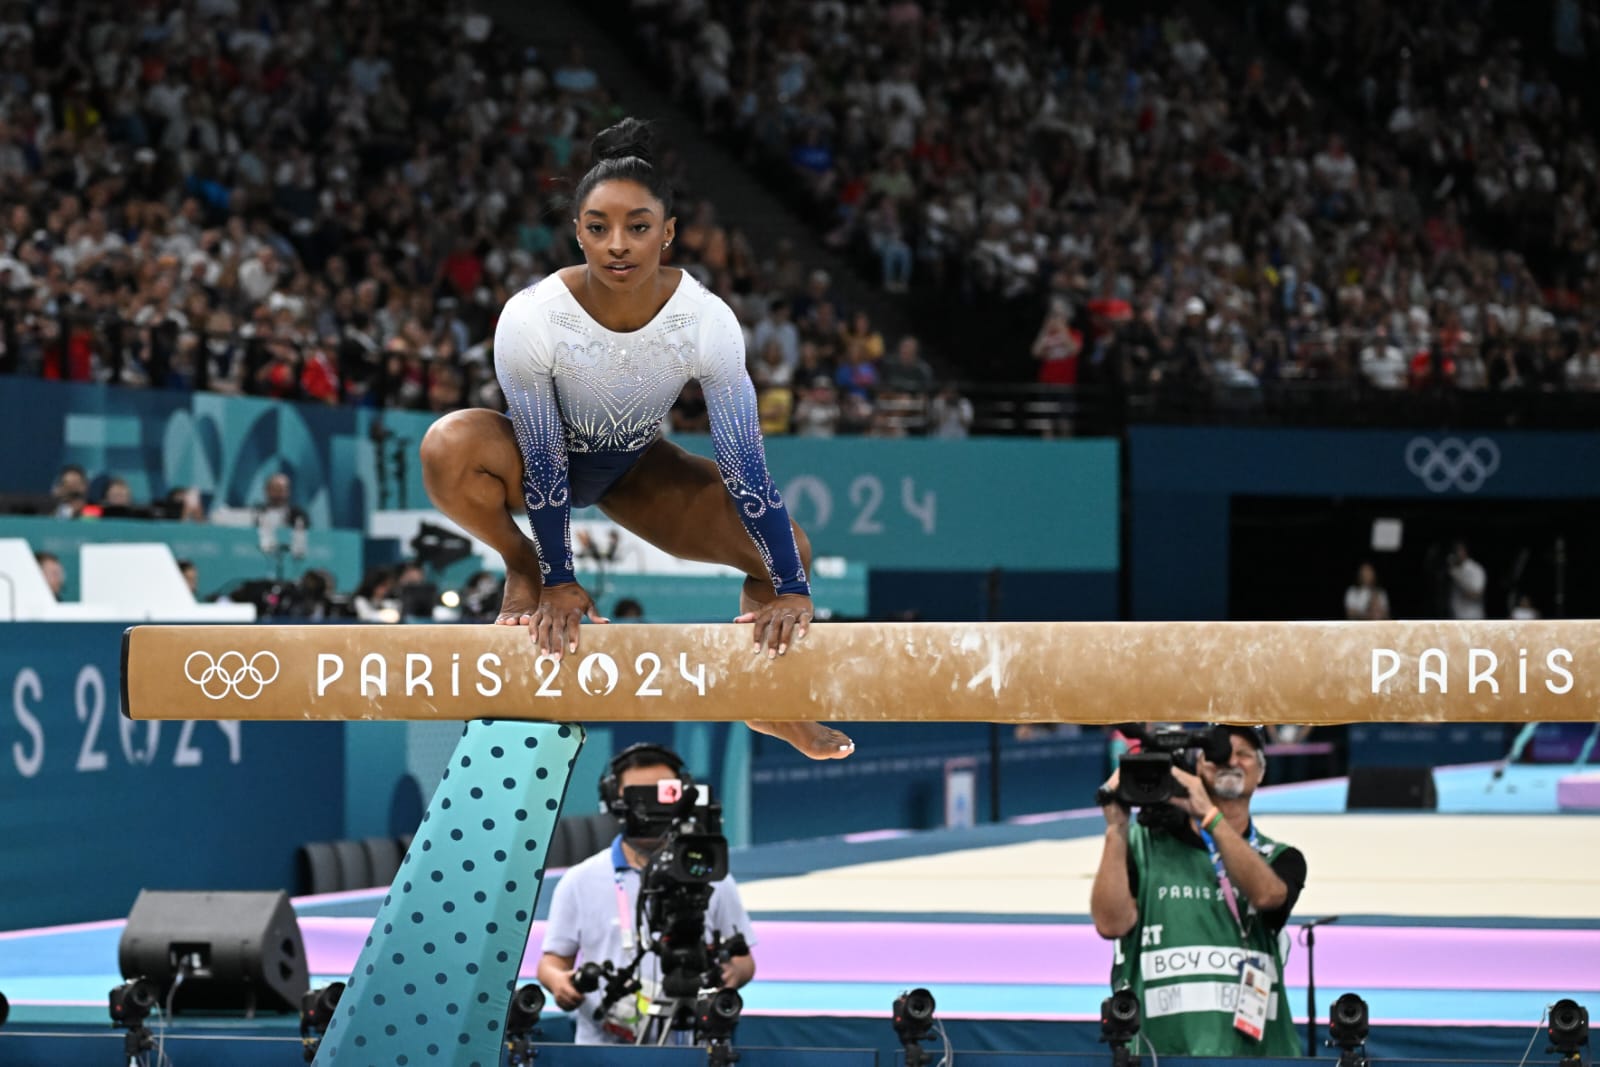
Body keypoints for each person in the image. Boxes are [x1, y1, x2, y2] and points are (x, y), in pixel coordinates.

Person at [420, 118, 853, 761]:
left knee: (787, 546)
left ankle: (771, 701)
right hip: (541, 457)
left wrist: (793, 585)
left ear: (669, 232)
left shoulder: (705, 320)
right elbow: (542, 459)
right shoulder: (534, 315)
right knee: (447, 445)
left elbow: (743, 464)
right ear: (577, 231)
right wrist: (556, 576)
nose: (617, 245)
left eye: (639, 227)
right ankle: (520, 562)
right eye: (598, 228)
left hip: (635, 469)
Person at [1090, 726, 1306, 1057]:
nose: (1231, 761)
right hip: (1159, 1051)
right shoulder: (1141, 845)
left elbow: (1267, 897)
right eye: (1217, 756)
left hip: (1256, 1055)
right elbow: (1111, 924)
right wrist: (1116, 828)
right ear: (1196, 770)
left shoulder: (1280, 858)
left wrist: (1209, 814)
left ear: (1262, 772)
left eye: (1245, 754)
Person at [538, 744, 756, 1045]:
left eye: (664, 794)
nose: (654, 807)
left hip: (694, 1047)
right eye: (640, 797)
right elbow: (552, 963)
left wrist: (732, 975)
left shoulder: (712, 876)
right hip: (605, 1051)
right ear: (614, 801)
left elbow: (745, 962)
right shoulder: (579, 881)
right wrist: (559, 983)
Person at [1447, 541, 1486, 620]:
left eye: (1457, 550)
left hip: (1472, 619)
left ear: (1464, 551)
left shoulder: (1475, 569)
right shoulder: (1454, 569)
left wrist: (1457, 578)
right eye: (1453, 551)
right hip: (1455, 618)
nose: (1454, 554)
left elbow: (1476, 595)